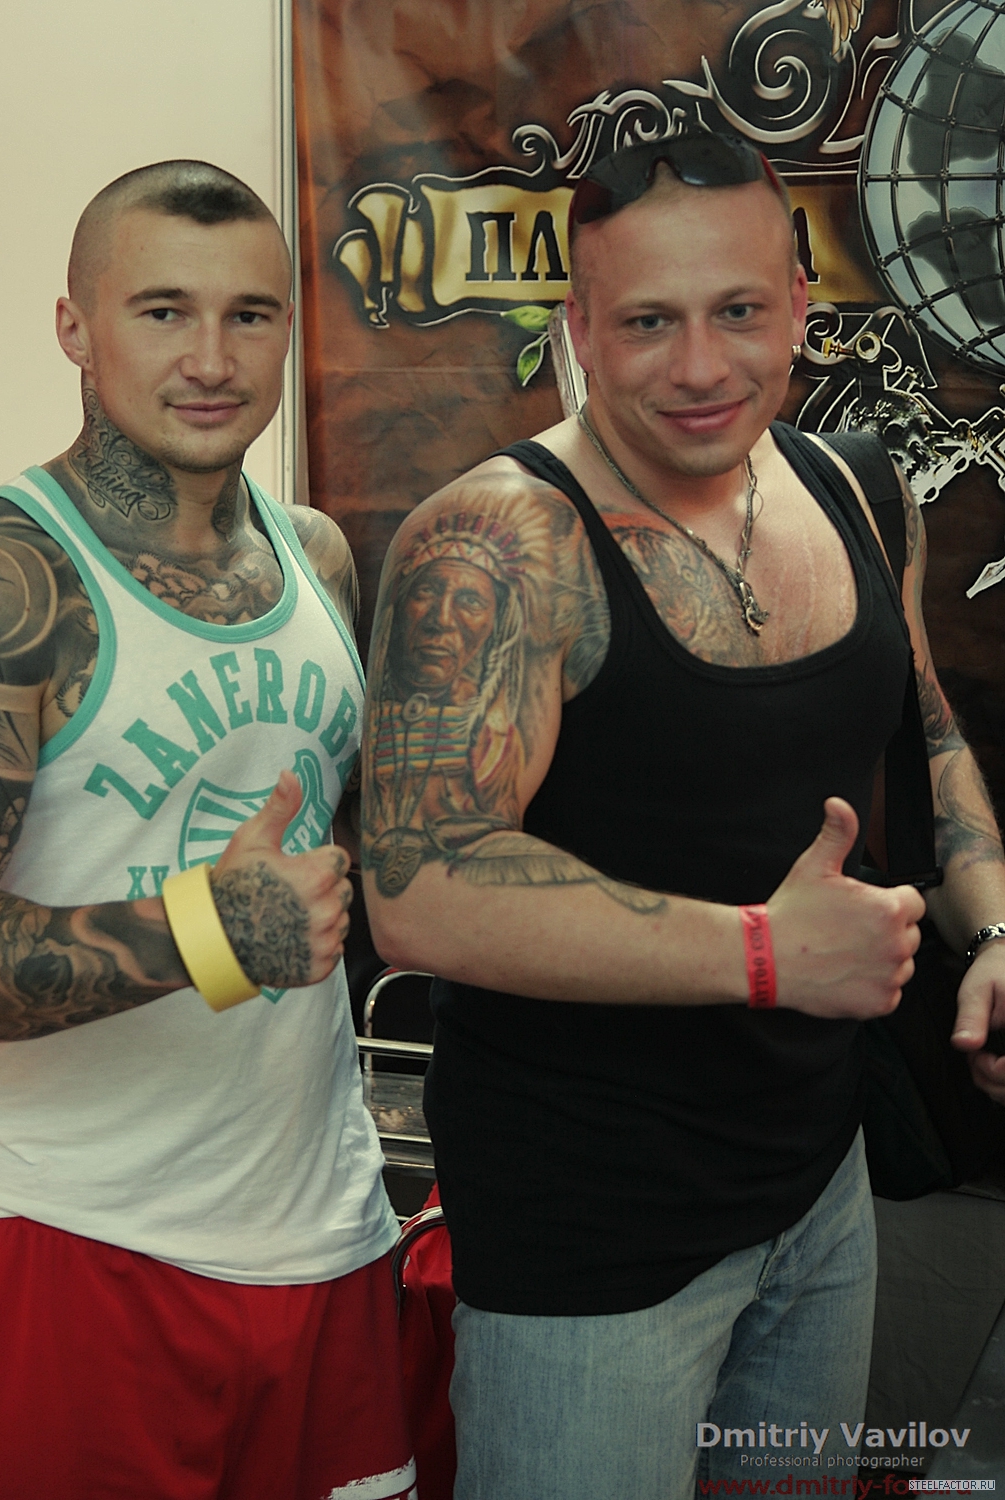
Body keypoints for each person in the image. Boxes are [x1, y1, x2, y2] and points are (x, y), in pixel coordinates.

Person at [360, 131, 1005, 1499]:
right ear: (578, 328)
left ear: (800, 306)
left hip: (818, 1195)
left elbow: (928, 731)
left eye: (739, 311)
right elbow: (417, 885)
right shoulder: (498, 542)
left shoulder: (858, 488)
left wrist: (995, 932)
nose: (701, 366)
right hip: (593, 1245)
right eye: (649, 322)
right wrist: (765, 954)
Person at [0, 160, 415, 1500]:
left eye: (250, 315)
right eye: (163, 312)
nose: (212, 360)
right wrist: (207, 930)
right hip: (72, 1248)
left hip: (322, 1237)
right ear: (75, 327)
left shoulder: (317, 556)